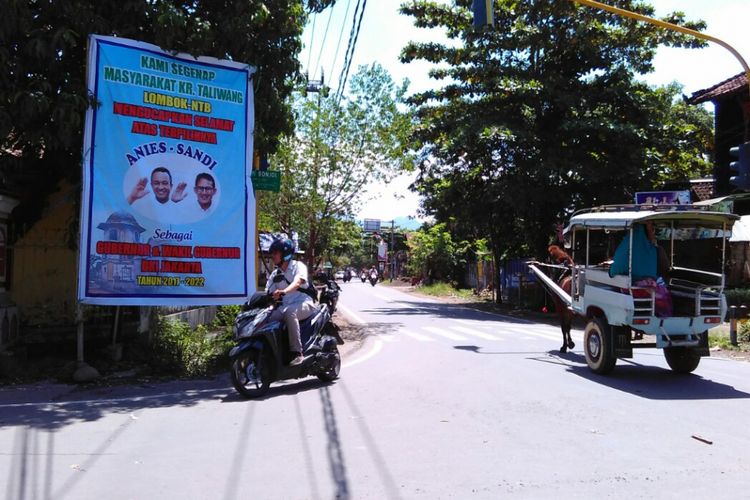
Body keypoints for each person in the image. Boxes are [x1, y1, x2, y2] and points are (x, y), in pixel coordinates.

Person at [265, 238, 315, 366]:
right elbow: (268, 291)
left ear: (285, 254)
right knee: (265, 318)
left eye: (276, 253)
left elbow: (298, 282)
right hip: (285, 307)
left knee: (290, 312)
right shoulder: (275, 273)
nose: (273, 256)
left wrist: (283, 291)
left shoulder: (298, 266)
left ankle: (297, 352)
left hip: (304, 304)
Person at [609, 222, 672, 317]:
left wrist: (611, 272)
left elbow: (617, 267)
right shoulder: (653, 249)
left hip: (635, 289)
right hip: (653, 288)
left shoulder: (627, 245)